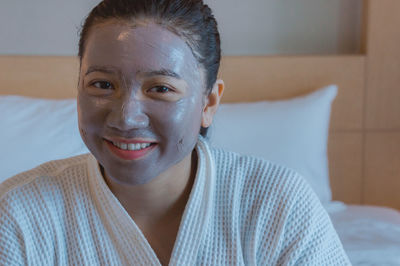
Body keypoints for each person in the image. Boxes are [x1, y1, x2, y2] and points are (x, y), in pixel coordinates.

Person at [0, 0, 351, 265]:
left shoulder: (277, 206)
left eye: (161, 88)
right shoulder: (21, 215)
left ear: (209, 102)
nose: (126, 118)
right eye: (102, 84)